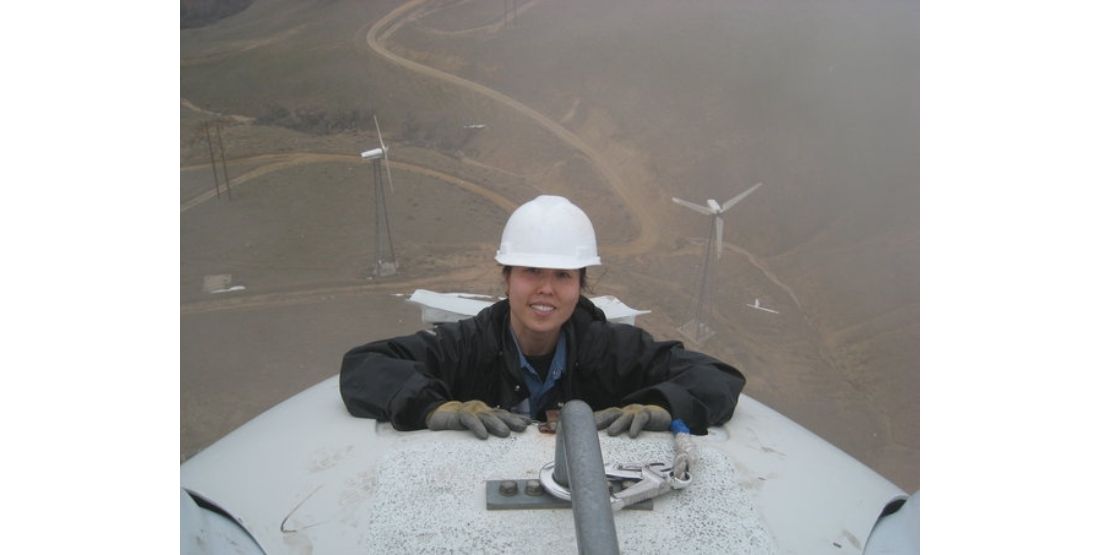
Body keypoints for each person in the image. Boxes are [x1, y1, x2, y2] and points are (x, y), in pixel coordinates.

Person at [340, 195, 746, 439]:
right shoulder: (469, 345)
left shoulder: (608, 349)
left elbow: (718, 378)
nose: (546, 289)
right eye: (531, 270)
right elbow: (364, 367)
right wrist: (435, 409)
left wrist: (662, 406)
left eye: (563, 276)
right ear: (507, 278)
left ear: (580, 285)